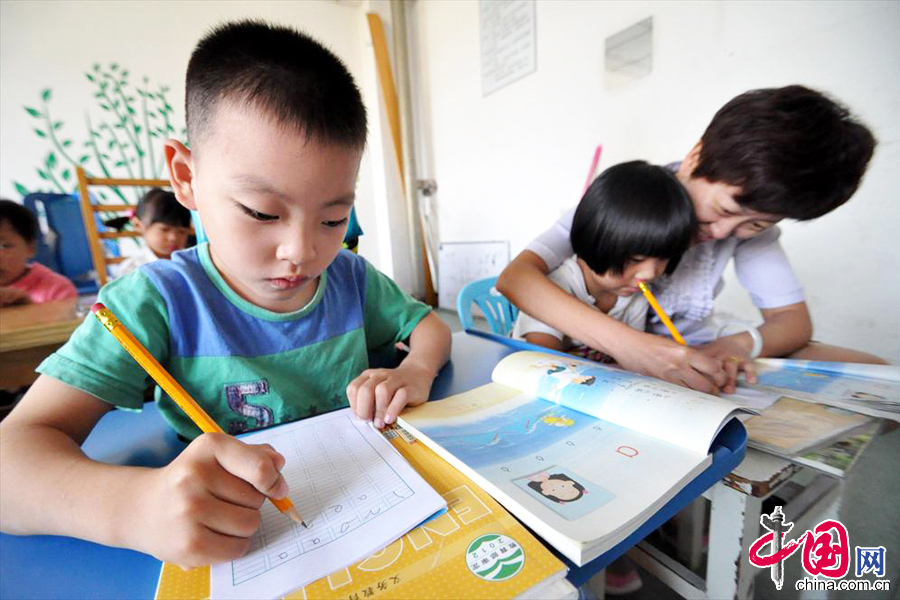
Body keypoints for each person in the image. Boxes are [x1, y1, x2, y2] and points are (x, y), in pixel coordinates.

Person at [0, 20, 451, 569]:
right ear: (185, 177)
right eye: (262, 212)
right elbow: (9, 464)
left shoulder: (350, 279)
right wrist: (132, 508)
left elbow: (429, 326)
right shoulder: (154, 303)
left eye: (334, 218)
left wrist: (416, 370)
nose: (301, 251)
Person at [497, 85, 879, 395]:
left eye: (758, 225)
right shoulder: (629, 200)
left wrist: (735, 347)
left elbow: (792, 322)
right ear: (697, 157)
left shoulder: (745, 227)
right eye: (727, 210)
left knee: (876, 378)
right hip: (632, 352)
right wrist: (633, 347)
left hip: (700, 346)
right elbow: (518, 278)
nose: (725, 233)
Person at [512, 161, 696, 359]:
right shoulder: (554, 288)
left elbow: (632, 360)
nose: (651, 274)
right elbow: (545, 365)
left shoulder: (636, 296)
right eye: (635, 259)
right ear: (594, 240)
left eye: (664, 258)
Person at [0, 199, 77, 306]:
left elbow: (70, 321)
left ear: (30, 248)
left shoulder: (56, 288)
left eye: (4, 246)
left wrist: (28, 308)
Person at [105, 188, 192, 277]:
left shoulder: (192, 262)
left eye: (182, 232)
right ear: (138, 225)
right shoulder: (132, 270)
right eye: (165, 229)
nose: (173, 238)